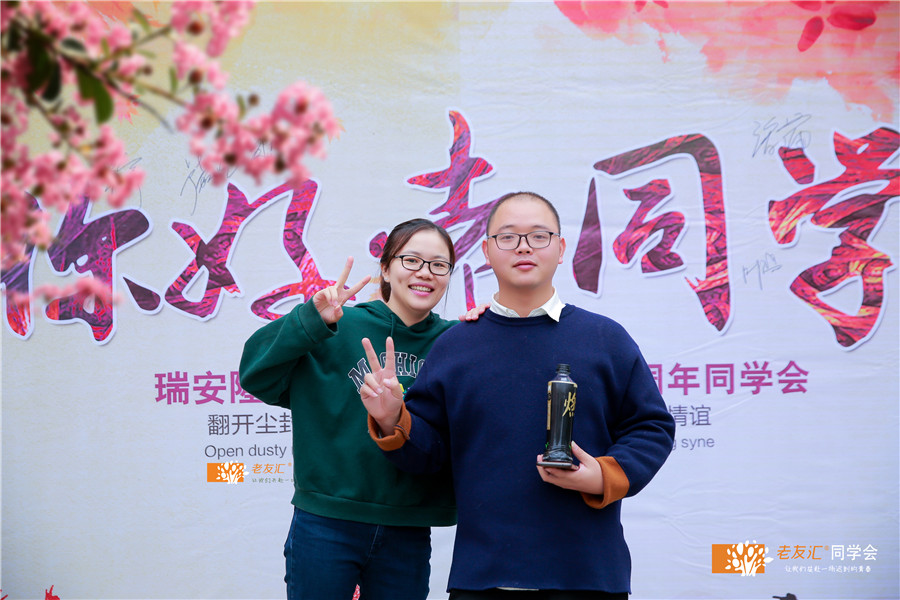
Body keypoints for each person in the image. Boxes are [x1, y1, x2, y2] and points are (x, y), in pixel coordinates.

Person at [359, 192, 676, 600]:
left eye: (539, 236)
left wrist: (602, 476)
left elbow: (651, 427)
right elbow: (428, 453)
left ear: (561, 249)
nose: (524, 247)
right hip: (483, 577)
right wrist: (392, 419)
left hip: (587, 574)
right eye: (507, 237)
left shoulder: (605, 338)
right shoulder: (456, 346)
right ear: (486, 252)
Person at [239, 218, 483, 600]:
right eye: (411, 260)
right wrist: (311, 320)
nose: (425, 273)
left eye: (439, 265)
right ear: (385, 268)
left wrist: (492, 328)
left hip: (407, 528)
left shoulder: (455, 341)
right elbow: (256, 373)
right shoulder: (337, 324)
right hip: (326, 522)